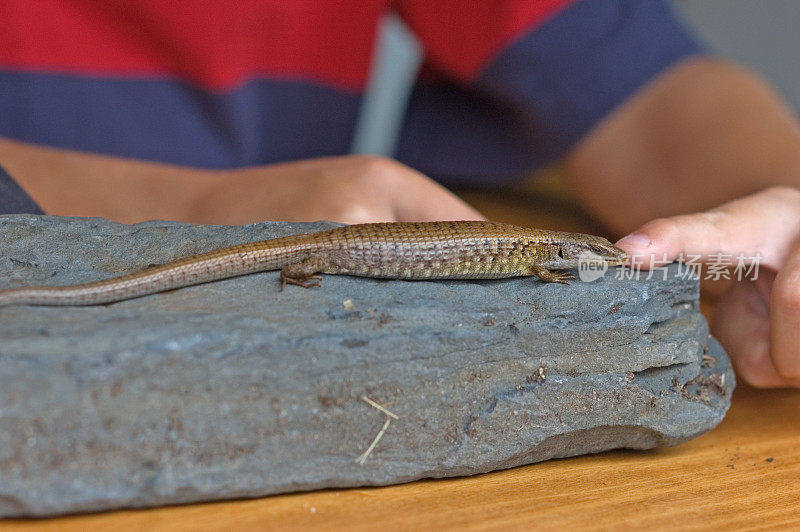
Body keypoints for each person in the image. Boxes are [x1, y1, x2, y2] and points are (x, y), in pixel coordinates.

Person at [0, 1, 799, 388]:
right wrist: (193, 210)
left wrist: (781, 204)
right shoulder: (545, 258)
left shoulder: (546, 260)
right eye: (584, 261)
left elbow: (639, 86)